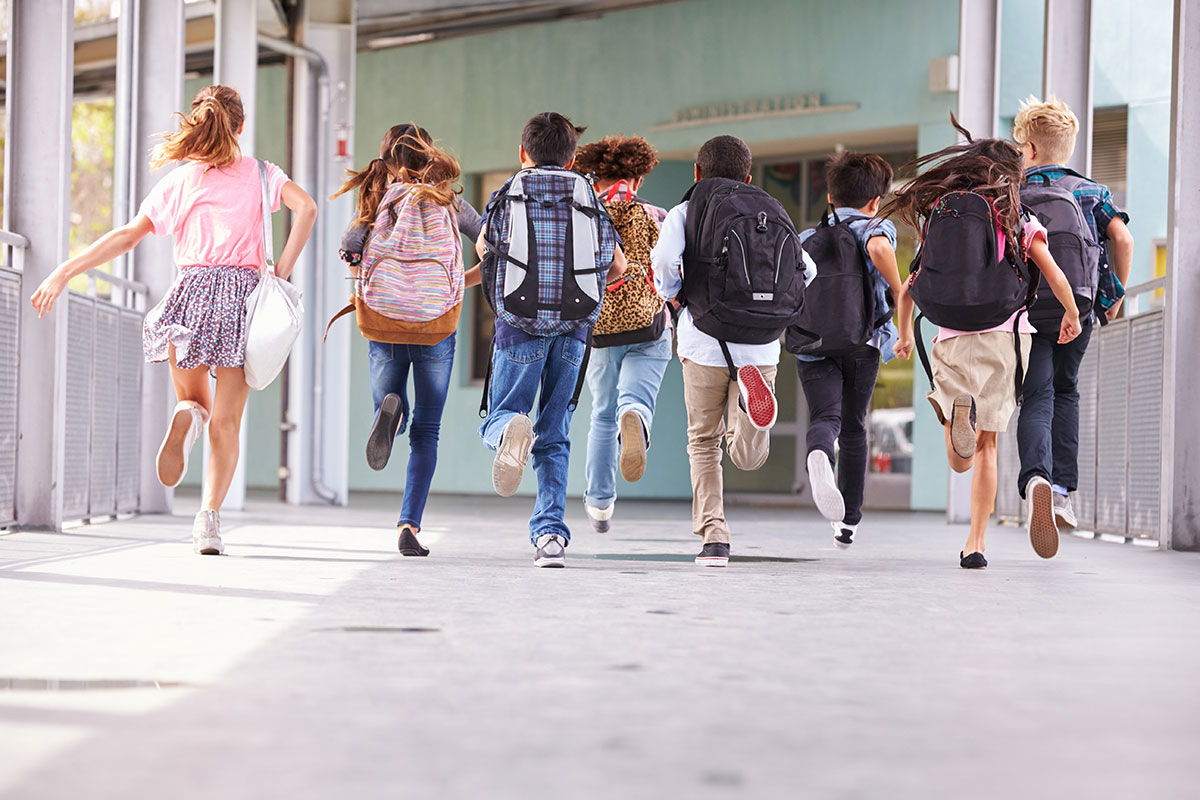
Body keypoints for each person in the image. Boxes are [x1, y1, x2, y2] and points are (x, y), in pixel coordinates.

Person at [30, 84, 317, 555]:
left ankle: (186, 415)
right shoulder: (262, 174)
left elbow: (127, 236)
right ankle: (209, 521)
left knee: (195, 403)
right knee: (227, 423)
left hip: (189, 295)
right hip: (241, 301)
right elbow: (305, 207)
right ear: (241, 126)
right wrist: (280, 270)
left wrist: (65, 270)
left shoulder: (183, 181)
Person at [887, 118, 1081, 568]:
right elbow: (1052, 271)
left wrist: (900, 335)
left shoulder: (942, 213)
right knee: (990, 444)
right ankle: (976, 543)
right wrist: (1070, 313)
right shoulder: (1018, 216)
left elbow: (907, 290)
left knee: (961, 457)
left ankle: (960, 432)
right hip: (1005, 335)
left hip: (950, 337)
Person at [653, 135, 816, 567]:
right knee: (747, 456)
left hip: (703, 341)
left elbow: (665, 261)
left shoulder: (686, 211)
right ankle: (751, 415)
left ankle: (715, 537)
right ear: (749, 175)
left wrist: (672, 295)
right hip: (760, 348)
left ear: (697, 173)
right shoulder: (769, 209)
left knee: (703, 443)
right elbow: (808, 269)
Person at [473, 112, 626, 567]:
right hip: (575, 329)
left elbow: (485, 250)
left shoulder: (509, 193)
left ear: (523, 154)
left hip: (518, 325)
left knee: (500, 416)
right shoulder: (588, 196)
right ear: (573, 156)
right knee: (555, 432)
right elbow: (615, 266)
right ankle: (550, 538)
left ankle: (508, 432)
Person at [331, 125, 481, 557]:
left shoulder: (376, 201)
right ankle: (409, 525)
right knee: (428, 432)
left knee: (388, 402)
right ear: (430, 157)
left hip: (385, 320)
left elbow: (351, 250)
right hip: (437, 323)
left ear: (387, 162)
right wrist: (458, 285)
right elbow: (491, 245)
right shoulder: (449, 200)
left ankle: (389, 414)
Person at [1012, 97, 1135, 531]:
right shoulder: (1091, 191)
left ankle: (1036, 480)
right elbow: (1122, 240)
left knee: (1036, 394)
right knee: (1066, 391)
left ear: (1028, 148)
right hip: (1078, 308)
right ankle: (1061, 494)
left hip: (1025, 309)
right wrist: (1114, 294)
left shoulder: (1013, 192)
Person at [791, 152, 905, 549]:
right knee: (855, 426)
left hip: (813, 342)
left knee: (826, 417)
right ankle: (848, 522)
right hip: (862, 341)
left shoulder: (806, 238)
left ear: (829, 196)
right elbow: (877, 250)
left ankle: (820, 452)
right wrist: (898, 287)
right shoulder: (877, 227)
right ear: (876, 200)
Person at [572, 135, 672, 533]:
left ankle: (599, 503)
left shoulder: (586, 215)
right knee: (635, 399)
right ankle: (637, 416)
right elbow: (670, 272)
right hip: (648, 324)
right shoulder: (656, 215)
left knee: (601, 415)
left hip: (600, 330)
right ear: (640, 176)